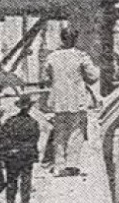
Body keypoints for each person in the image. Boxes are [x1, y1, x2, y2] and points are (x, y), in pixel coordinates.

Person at [42, 27, 100, 176]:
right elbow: (93, 77)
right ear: (75, 39)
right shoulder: (81, 56)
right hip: (77, 100)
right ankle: (71, 165)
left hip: (58, 101)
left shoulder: (52, 57)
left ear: (62, 38)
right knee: (76, 132)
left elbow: (46, 78)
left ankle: (59, 165)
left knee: (59, 134)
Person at [0, 94, 42, 203]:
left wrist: (9, 150)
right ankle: (25, 201)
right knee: (26, 178)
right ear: (30, 107)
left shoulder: (10, 121)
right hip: (27, 154)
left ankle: (10, 200)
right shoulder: (33, 123)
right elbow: (35, 139)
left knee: (11, 178)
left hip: (12, 154)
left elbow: (3, 137)